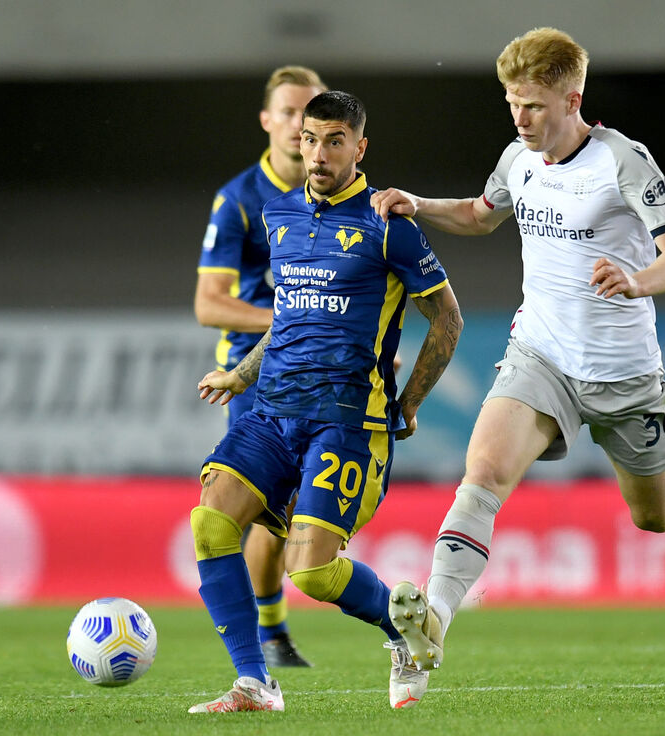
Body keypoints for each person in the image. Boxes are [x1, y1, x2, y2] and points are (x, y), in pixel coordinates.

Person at [370, 27, 665, 705]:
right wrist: (419, 204)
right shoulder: (517, 158)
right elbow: (481, 214)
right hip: (540, 354)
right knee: (482, 475)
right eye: (510, 103)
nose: (519, 118)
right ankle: (432, 624)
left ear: (572, 98)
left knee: (659, 517)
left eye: (532, 105)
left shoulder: (622, 159)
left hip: (623, 374)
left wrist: (636, 279)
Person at [188, 90, 463, 714]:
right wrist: (240, 374)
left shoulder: (390, 225)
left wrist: (409, 401)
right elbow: (288, 317)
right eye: (309, 138)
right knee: (210, 522)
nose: (317, 152)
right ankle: (255, 683)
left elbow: (448, 320)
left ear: (359, 148)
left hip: (347, 422)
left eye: (333, 140)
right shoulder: (278, 214)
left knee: (309, 572)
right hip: (271, 410)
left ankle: (404, 630)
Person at [194, 65, 327, 668]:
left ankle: (270, 631)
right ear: (269, 121)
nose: (303, 123)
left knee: (286, 518)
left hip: (314, 374)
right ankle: (262, 639)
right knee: (248, 509)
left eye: (313, 112)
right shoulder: (240, 200)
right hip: (253, 380)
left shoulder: (335, 195)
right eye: (292, 112)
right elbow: (209, 302)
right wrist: (289, 319)